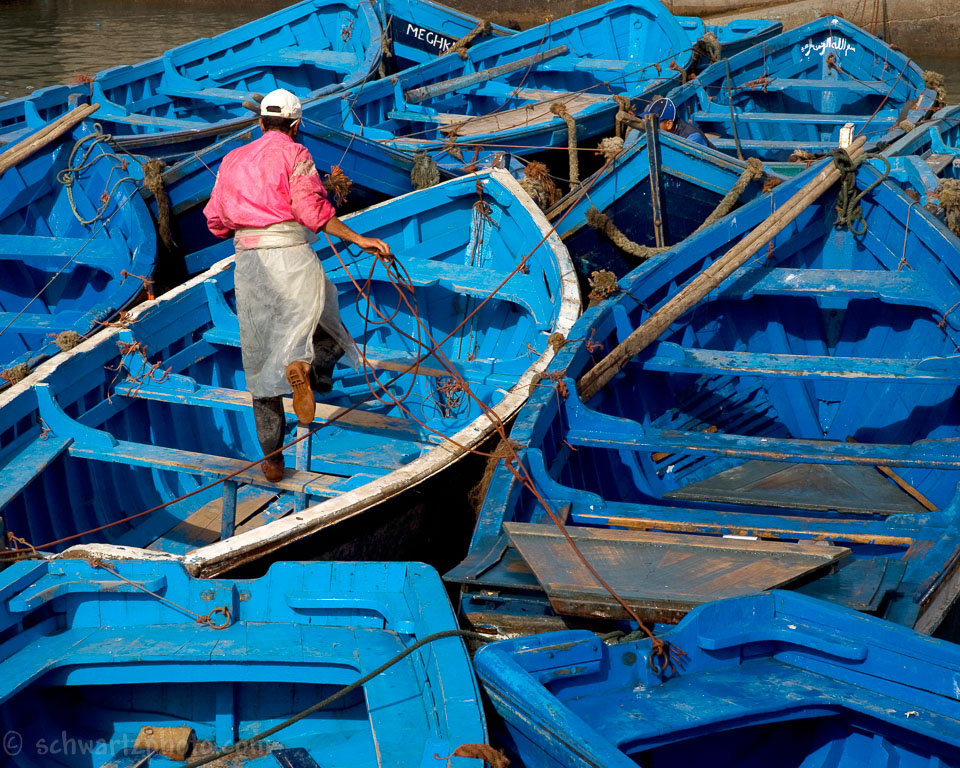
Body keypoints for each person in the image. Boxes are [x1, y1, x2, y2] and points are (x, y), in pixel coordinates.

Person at [203, 88, 392, 483]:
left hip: (250, 267)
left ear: (259, 123)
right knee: (333, 334)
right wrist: (359, 239)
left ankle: (273, 462)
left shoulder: (232, 159)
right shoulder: (296, 154)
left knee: (258, 364)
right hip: (293, 259)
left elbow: (216, 223)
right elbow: (312, 213)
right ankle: (306, 371)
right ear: (296, 125)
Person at [642, 96, 714, 148]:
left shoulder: (692, 137)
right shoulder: (670, 130)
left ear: (669, 124)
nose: (650, 126)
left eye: (654, 123)